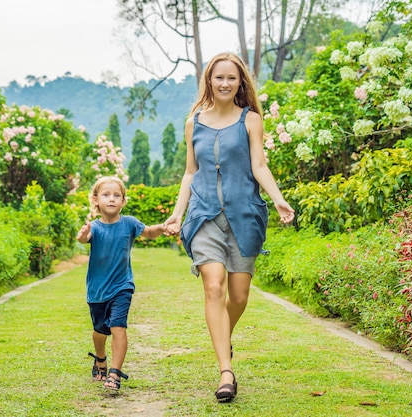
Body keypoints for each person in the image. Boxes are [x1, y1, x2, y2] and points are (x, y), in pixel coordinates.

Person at [163, 52, 295, 402]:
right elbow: (190, 172)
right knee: (214, 287)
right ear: (209, 80)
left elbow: (260, 166)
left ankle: (224, 339)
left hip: (243, 216)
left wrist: (278, 199)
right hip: (204, 215)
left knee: (238, 296)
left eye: (231, 78)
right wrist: (178, 214)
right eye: (218, 77)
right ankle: (226, 372)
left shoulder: (250, 120)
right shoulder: (194, 122)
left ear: (240, 83)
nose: (224, 83)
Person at [76, 176, 165, 390]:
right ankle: (100, 357)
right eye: (106, 195)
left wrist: (162, 226)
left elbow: (150, 232)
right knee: (100, 331)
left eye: (117, 195)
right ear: (96, 200)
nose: (112, 199)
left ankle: (114, 373)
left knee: (118, 327)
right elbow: (84, 239)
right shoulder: (94, 228)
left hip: (122, 287)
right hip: (97, 291)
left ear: (123, 201)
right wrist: (82, 236)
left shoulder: (130, 223)